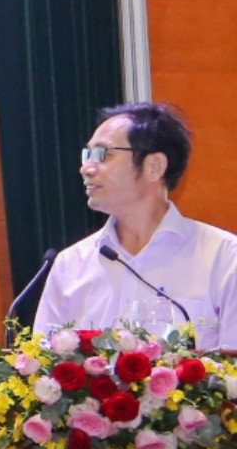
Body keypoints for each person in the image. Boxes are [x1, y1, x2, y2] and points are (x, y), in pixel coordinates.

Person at [36, 101, 237, 348]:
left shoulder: (224, 259)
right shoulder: (70, 265)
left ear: (154, 166)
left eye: (102, 154)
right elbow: (44, 361)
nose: (86, 168)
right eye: (87, 155)